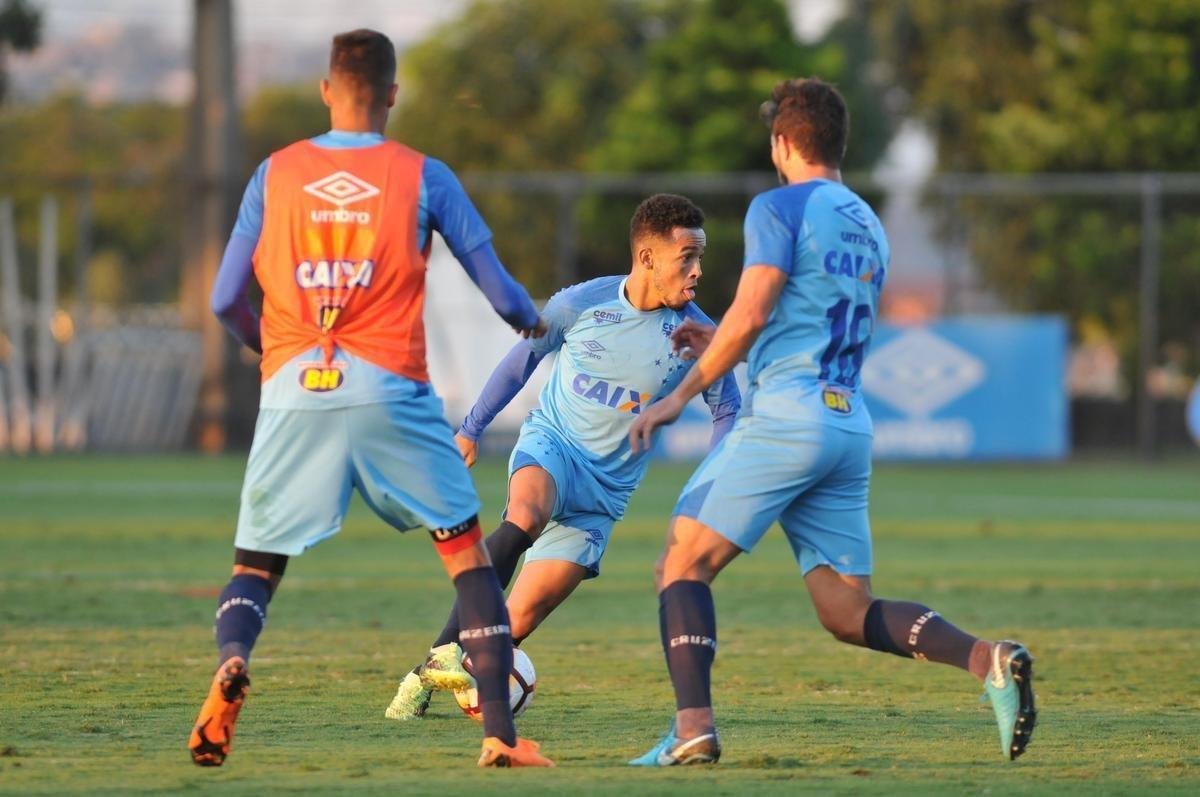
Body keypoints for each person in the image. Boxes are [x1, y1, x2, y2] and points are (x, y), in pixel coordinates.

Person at [625, 78, 1036, 766]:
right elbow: (796, 313)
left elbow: (757, 310)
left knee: (679, 563)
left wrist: (677, 397)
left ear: (783, 143)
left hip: (786, 417)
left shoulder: (778, 204)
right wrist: (724, 335)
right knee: (846, 612)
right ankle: (987, 658)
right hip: (846, 424)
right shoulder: (868, 222)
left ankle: (692, 726)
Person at [189, 28, 553, 769]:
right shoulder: (423, 175)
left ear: (327, 91)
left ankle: (231, 661)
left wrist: (271, 346)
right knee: (469, 561)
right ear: (392, 94)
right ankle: (499, 737)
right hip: (392, 389)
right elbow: (502, 291)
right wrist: (532, 321)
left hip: (297, 386)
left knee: (257, 564)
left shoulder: (275, 173)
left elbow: (225, 297)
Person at [384, 193, 741, 719]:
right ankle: (444, 650)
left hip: (604, 497)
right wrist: (471, 429)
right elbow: (520, 362)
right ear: (646, 258)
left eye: (699, 258)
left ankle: (424, 676)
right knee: (526, 513)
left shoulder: (695, 333)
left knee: (510, 626)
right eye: (686, 257)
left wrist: (711, 486)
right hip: (554, 446)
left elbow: (727, 408)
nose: (697, 271)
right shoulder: (581, 303)